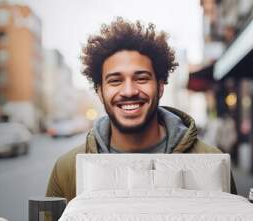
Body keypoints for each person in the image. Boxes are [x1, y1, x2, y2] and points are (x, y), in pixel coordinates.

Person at [46, 18, 237, 202]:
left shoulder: (211, 161)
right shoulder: (68, 169)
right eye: (115, 80)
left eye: (141, 78)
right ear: (99, 91)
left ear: (160, 86)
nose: (129, 91)